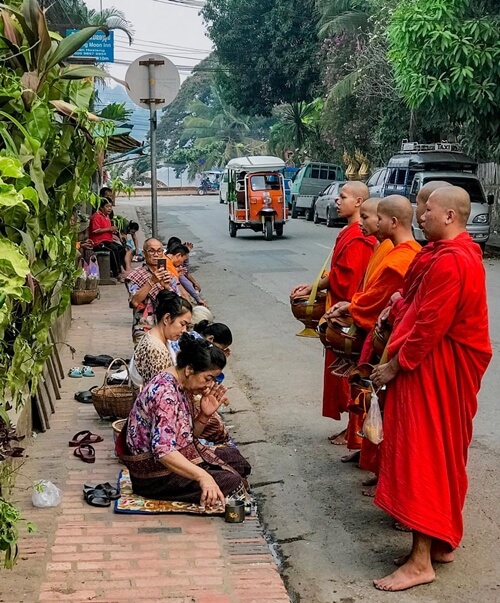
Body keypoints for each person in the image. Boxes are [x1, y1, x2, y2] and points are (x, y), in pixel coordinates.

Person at [370, 186, 492, 591]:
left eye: (428, 210)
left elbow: (429, 326)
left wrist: (394, 365)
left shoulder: (452, 262)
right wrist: (399, 303)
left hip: (433, 369)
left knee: (422, 456)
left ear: (450, 217)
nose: (420, 215)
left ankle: (421, 561)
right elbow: (419, 302)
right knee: (439, 454)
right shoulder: (445, 255)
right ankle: (439, 541)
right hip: (435, 368)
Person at [327, 196, 421, 461]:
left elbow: (378, 298)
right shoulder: (394, 250)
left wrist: (351, 307)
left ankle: (380, 464)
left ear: (392, 221)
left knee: (380, 401)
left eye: (377, 218)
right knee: (371, 399)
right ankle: (368, 454)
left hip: (390, 338)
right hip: (383, 332)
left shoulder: (403, 257)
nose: (372, 223)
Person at [119, 334, 251, 506]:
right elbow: (164, 452)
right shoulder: (165, 393)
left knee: (237, 461)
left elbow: (187, 436)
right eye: (207, 378)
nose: (209, 385)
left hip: (179, 455)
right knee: (232, 482)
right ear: (189, 369)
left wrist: (204, 415)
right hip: (155, 475)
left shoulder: (179, 382)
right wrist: (203, 476)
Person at [291, 182, 377, 444]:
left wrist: (334, 295)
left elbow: (351, 280)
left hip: (349, 314)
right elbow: (340, 273)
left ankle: (358, 433)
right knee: (343, 371)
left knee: (350, 371)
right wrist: (318, 285)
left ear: (359, 201)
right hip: (341, 306)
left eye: (343, 197)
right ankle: (353, 431)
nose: (337, 201)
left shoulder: (360, 237)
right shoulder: (350, 232)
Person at [133, 291, 192, 386]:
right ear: (167, 318)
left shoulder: (157, 338)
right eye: (182, 324)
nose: (184, 330)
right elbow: (163, 389)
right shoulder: (156, 349)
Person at [126, 238, 173, 345]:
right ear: (144, 253)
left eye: (159, 251)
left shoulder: (168, 274)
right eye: (151, 251)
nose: (156, 254)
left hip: (166, 327)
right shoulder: (134, 276)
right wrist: (152, 281)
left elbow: (177, 303)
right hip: (144, 327)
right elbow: (134, 302)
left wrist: (167, 287)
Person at [88, 198, 127, 280]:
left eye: (110, 206)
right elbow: (95, 230)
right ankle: (117, 274)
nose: (109, 208)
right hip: (98, 242)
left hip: (107, 241)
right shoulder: (96, 217)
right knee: (113, 250)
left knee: (121, 249)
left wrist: (113, 232)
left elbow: (107, 229)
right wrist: (109, 229)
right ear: (101, 208)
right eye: (107, 206)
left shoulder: (107, 216)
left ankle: (121, 269)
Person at [167, 237, 206, 306]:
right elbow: (182, 291)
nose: (182, 262)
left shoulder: (170, 265)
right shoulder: (169, 267)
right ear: (178, 255)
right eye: (183, 259)